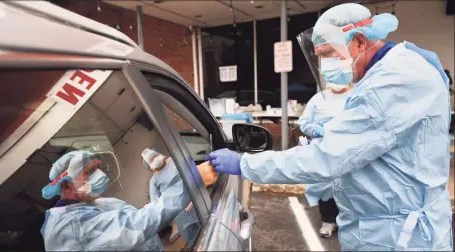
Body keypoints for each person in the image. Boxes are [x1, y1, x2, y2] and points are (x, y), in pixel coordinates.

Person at [207, 3, 452, 251]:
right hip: (392, 227)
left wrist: (244, 163)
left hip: (398, 237)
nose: (325, 65)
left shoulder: (392, 81)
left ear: (359, 41)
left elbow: (325, 159)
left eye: (328, 53)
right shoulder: (400, 69)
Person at [40, 150, 190, 251]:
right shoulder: (67, 226)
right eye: (90, 171)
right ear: (66, 185)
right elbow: (135, 226)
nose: (101, 175)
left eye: (98, 167)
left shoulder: (95, 204)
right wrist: (188, 184)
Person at [297, 82, 352, 237]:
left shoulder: (356, 96)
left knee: (350, 186)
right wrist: (317, 130)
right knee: (324, 186)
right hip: (324, 149)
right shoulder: (318, 99)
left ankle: (348, 222)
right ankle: (328, 221)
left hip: (349, 150)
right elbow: (304, 122)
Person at [142, 148, 200, 247]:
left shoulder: (175, 161)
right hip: (182, 216)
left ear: (159, 154)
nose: (154, 160)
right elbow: (156, 205)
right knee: (197, 243)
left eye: (154, 157)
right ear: (149, 166)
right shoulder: (154, 181)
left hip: (198, 202)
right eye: (151, 160)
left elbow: (196, 173)